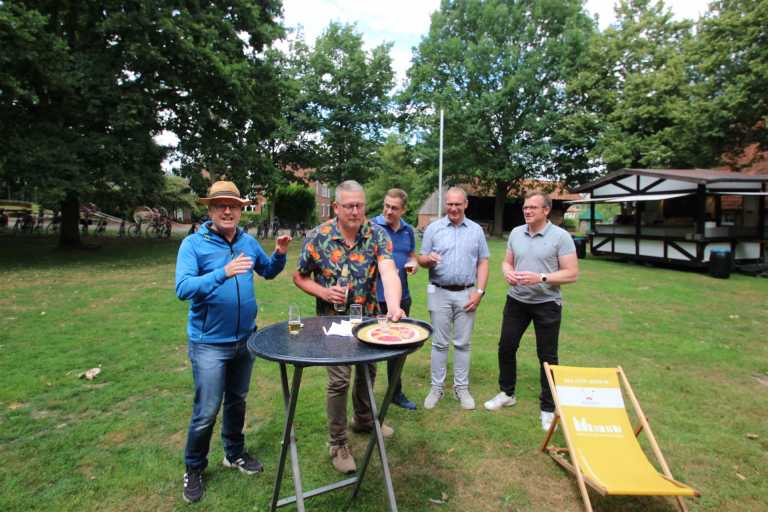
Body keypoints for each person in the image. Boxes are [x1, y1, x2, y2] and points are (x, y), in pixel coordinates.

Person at [175, 180, 291, 503]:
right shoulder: (193, 245)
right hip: (209, 344)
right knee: (207, 410)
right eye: (220, 206)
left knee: (237, 401)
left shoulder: (247, 242)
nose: (228, 211)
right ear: (210, 210)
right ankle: (194, 467)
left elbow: (268, 271)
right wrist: (222, 273)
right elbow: (183, 288)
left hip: (245, 340)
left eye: (234, 206)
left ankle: (234, 453)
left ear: (241, 211)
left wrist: (280, 254)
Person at [293, 180, 404, 475]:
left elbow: (388, 271)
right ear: (336, 207)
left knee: (368, 372)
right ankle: (338, 443)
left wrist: (393, 305)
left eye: (360, 205)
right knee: (340, 381)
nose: (355, 211)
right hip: (332, 324)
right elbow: (300, 277)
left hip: (368, 321)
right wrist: (323, 292)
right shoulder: (318, 237)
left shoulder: (377, 234)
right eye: (349, 206)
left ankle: (364, 420)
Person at [483, 192, 579, 432]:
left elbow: (571, 273)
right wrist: (507, 272)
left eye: (533, 208)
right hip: (517, 300)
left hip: (547, 303)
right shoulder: (516, 233)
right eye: (525, 207)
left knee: (547, 356)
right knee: (506, 347)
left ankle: (548, 408)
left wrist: (541, 277)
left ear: (546, 210)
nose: (527, 211)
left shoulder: (561, 237)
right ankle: (507, 393)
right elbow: (507, 262)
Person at [417, 187, 489, 411]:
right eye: (450, 204)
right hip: (439, 291)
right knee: (439, 343)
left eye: (458, 204)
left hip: (467, 293)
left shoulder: (476, 231)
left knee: (463, 344)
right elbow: (421, 259)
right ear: (445, 204)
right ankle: (436, 388)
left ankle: (461, 388)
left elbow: (483, 261)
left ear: (466, 204)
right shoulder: (433, 229)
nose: (454, 208)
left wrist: (479, 292)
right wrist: (427, 259)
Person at [372, 188, 419, 410]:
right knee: (370, 349)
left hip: (402, 298)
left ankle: (395, 393)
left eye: (394, 208)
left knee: (399, 348)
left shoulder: (408, 231)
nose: (389, 211)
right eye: (386, 206)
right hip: (375, 298)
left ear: (403, 210)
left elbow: (411, 255)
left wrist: (413, 264)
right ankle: (366, 397)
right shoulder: (372, 227)